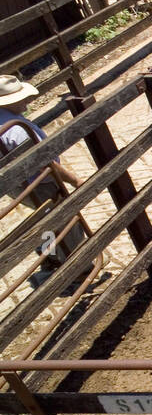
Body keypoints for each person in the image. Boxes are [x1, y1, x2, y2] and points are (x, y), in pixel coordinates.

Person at [0, 75, 91, 283]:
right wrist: (74, 180)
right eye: (20, 97)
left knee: (45, 217)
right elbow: (44, 163)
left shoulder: (4, 121)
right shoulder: (16, 129)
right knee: (64, 218)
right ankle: (77, 266)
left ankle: (51, 256)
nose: (27, 101)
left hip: (18, 184)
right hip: (40, 181)